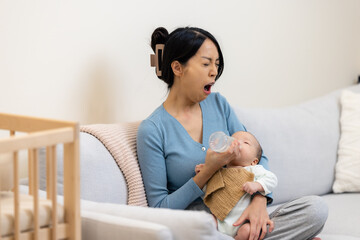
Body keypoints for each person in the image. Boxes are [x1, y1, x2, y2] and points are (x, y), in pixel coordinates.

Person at [137, 26, 328, 240]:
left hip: (240, 216)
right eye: (206, 63)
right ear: (178, 68)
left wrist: (259, 200)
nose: (214, 72)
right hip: (201, 226)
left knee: (316, 209)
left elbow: (258, 155)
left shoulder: (219, 104)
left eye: (217, 65)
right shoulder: (152, 130)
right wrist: (207, 171)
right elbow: (159, 208)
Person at [195, 131, 278, 239]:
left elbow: (272, 179)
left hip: (241, 224)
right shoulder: (220, 172)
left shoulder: (253, 170)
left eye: (246, 142)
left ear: (254, 161)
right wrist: (203, 175)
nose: (237, 143)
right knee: (206, 221)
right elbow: (210, 193)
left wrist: (258, 185)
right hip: (219, 222)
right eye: (233, 140)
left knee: (247, 231)